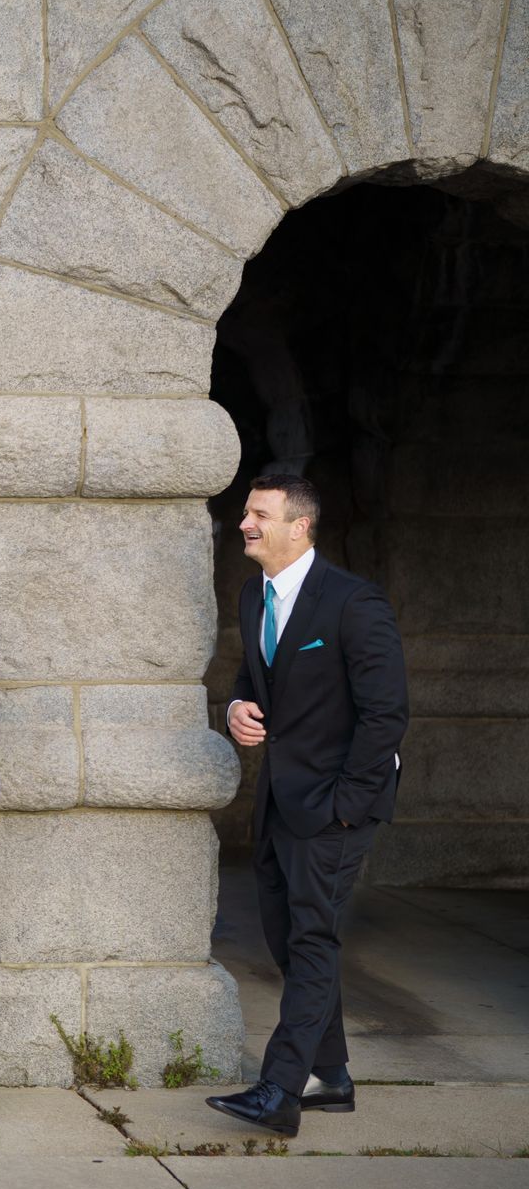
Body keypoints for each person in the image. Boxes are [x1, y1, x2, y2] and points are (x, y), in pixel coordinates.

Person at [208, 473, 407, 1138]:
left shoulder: (354, 604)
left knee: (313, 940)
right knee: (287, 938)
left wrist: (348, 806)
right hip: (279, 800)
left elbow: (386, 715)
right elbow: (250, 678)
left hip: (336, 807)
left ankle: (280, 1087)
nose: (245, 524)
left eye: (259, 514)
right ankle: (331, 1075)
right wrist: (237, 709)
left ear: (300, 527)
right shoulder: (252, 596)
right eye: (245, 514)